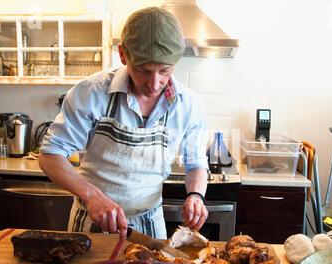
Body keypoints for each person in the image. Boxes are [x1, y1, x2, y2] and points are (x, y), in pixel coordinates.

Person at [39, 7, 209, 241]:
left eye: (164, 71)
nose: (154, 83)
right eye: (143, 70)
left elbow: (196, 161)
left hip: (149, 224)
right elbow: (50, 155)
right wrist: (91, 195)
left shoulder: (188, 104)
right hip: (92, 222)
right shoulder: (91, 93)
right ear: (122, 54)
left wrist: (196, 196)